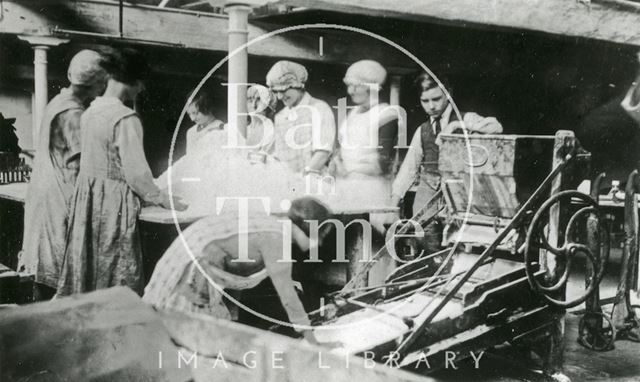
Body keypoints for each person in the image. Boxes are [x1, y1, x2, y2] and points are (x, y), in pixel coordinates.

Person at [56, 48, 187, 296]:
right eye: (141, 83)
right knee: (115, 270)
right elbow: (137, 175)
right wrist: (162, 198)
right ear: (134, 81)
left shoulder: (89, 113)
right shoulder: (125, 118)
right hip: (112, 203)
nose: (142, 90)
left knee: (89, 268)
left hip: (88, 199)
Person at [143, 197, 334, 344]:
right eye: (320, 237)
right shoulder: (277, 241)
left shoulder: (274, 223)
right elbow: (289, 298)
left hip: (194, 252)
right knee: (185, 334)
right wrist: (313, 341)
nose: (320, 243)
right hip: (192, 266)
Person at [18, 50, 108, 300]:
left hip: (45, 196)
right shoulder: (72, 113)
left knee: (47, 266)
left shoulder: (57, 102)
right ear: (98, 83)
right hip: (59, 199)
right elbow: (84, 164)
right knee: (58, 272)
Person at [391, 72, 503, 255]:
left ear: (448, 94)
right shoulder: (423, 130)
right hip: (429, 186)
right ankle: (433, 276)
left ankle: (453, 278)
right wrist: (394, 200)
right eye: (425, 101)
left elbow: (496, 127)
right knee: (424, 235)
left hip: (458, 186)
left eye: (436, 99)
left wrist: (458, 127)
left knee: (459, 237)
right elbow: (409, 167)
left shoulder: (465, 118)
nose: (431, 106)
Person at [332, 59, 400, 205]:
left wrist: (350, 171)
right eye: (349, 86)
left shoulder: (386, 114)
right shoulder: (353, 113)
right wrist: (336, 162)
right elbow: (341, 148)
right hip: (345, 187)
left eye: (356, 86)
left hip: (371, 189)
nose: (351, 91)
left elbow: (383, 163)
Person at [266, 61, 336, 174]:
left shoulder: (319, 108)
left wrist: (301, 179)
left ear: (298, 85)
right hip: (286, 184)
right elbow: (279, 156)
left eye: (283, 90)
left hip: (313, 181)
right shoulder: (280, 117)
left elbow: (322, 153)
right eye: (276, 91)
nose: (279, 97)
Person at [185, 89, 228, 155]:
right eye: (189, 114)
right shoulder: (191, 132)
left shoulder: (219, 127)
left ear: (206, 108)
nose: (192, 119)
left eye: (195, 113)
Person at [245, 84, 276, 154]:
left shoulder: (271, 130)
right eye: (250, 100)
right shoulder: (245, 129)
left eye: (259, 100)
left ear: (268, 105)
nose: (253, 105)